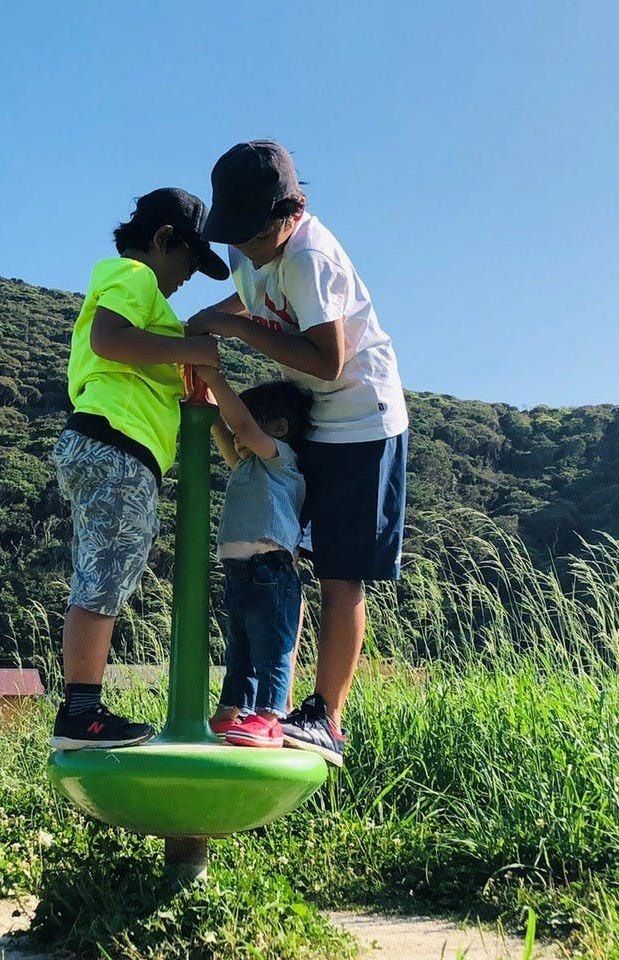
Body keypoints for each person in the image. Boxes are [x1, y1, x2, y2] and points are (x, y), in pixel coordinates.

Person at [188, 141, 408, 767]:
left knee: (341, 573)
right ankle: (269, 707)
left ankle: (326, 719)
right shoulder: (245, 243)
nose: (246, 249)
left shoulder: (311, 258)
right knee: (282, 563)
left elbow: (328, 361)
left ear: (292, 211)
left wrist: (233, 328)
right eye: (235, 233)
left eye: (256, 235)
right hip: (311, 417)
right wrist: (208, 318)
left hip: (362, 421)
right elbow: (253, 293)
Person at [48, 187, 229, 750]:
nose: (189, 275)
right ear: (162, 239)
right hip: (116, 443)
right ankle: (80, 713)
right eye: (189, 259)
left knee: (105, 571)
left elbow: (158, 350)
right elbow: (110, 340)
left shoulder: (149, 300)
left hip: (109, 444)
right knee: (103, 576)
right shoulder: (134, 275)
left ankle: (82, 709)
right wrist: (188, 352)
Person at [192, 368, 312, 748]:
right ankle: (232, 711)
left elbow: (241, 427)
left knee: (272, 648)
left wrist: (214, 377)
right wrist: (209, 405)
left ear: (278, 428)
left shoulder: (282, 460)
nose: (238, 434)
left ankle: (271, 717)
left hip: (271, 570)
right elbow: (228, 434)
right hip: (240, 571)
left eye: (248, 422)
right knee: (240, 648)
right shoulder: (247, 463)